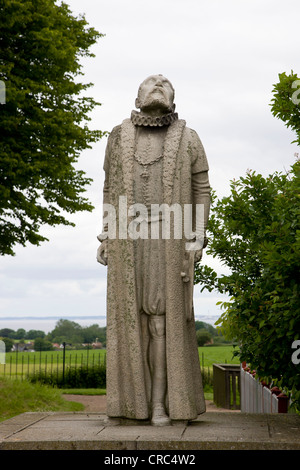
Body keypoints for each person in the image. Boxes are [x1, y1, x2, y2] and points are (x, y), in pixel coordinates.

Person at [97, 74, 210, 425]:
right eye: (150, 81)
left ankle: (161, 403)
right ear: (137, 95)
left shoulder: (189, 138)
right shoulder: (117, 137)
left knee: (162, 324)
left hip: (170, 238)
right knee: (133, 322)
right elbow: (107, 188)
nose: (159, 83)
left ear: (173, 99)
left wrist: (198, 233)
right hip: (127, 238)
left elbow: (202, 189)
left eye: (166, 82)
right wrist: (104, 232)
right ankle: (131, 403)